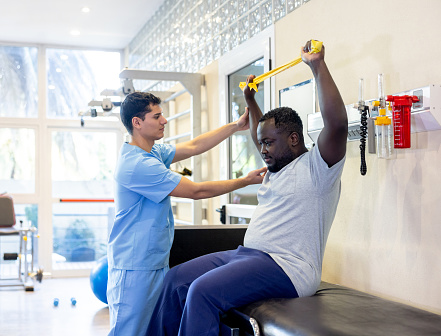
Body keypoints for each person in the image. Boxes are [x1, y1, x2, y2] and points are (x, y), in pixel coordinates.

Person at [145, 40, 348, 336]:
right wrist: (250, 100)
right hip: (248, 254)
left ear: (293, 138)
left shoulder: (318, 168)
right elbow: (258, 133)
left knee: (202, 291)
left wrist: (317, 66)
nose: (262, 149)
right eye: (261, 142)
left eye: (268, 142)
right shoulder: (275, 168)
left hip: (288, 268)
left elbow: (338, 124)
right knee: (176, 280)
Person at [107, 91, 267, 336]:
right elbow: (197, 191)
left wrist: (235, 126)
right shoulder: (138, 165)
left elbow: (194, 146)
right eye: (157, 116)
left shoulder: (152, 152)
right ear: (137, 123)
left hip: (153, 262)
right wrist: (244, 182)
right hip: (134, 268)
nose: (164, 121)